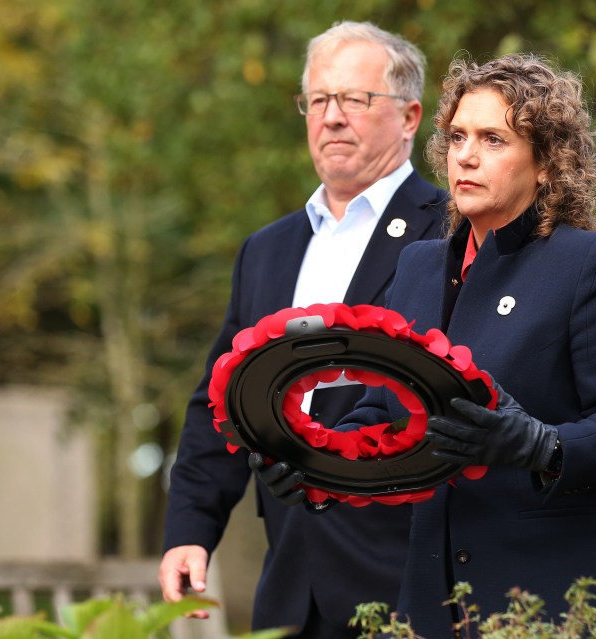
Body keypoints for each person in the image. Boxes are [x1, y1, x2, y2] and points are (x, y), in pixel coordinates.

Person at [258, 53, 596, 635]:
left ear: (547, 162)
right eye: (457, 137)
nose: (466, 156)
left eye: (493, 139)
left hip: (552, 593)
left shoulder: (590, 263)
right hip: (433, 600)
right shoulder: (420, 267)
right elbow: (383, 406)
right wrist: (317, 464)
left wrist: (540, 445)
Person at [159, 21, 448, 638]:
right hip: (292, 581)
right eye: (318, 100)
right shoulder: (266, 250)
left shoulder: (453, 234)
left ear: (409, 116)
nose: (331, 117)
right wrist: (190, 530)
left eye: (354, 99)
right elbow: (221, 401)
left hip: (409, 580)